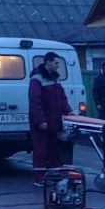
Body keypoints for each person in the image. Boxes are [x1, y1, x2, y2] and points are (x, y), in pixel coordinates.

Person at [28, 51, 73, 186]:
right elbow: (35, 101)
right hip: (42, 122)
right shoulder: (37, 78)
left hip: (54, 120)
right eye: (56, 63)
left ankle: (54, 172)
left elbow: (61, 97)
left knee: (54, 148)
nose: (58, 66)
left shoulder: (55, 77)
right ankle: (39, 176)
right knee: (41, 149)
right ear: (48, 62)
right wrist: (41, 120)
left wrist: (69, 111)